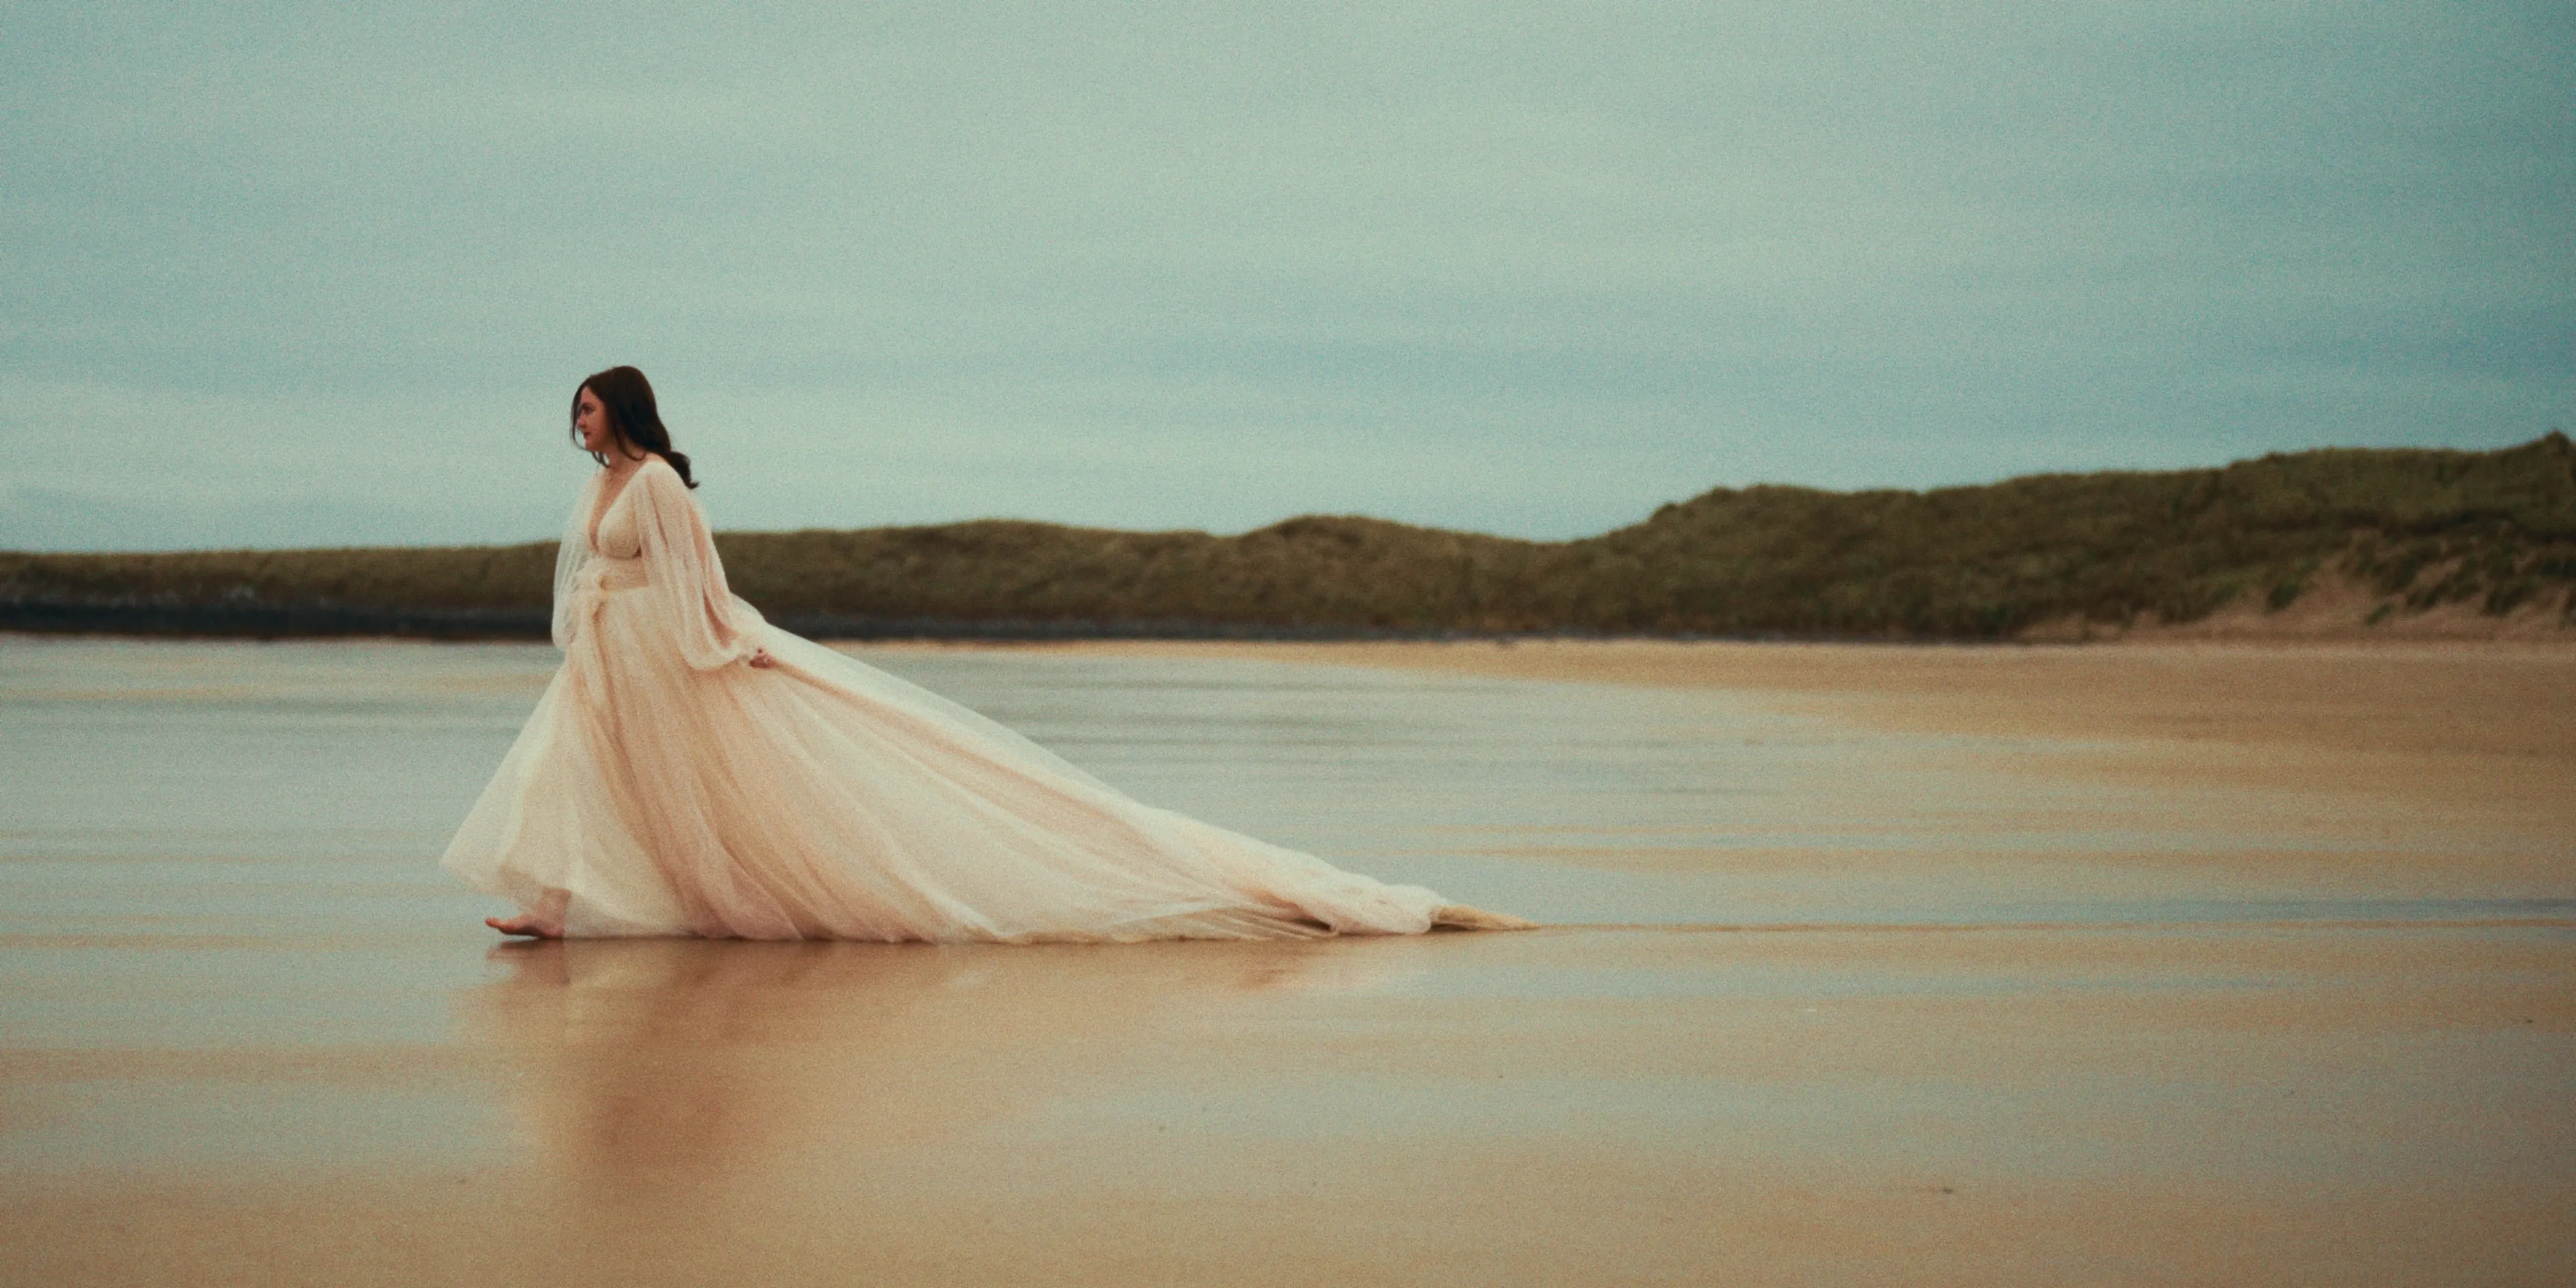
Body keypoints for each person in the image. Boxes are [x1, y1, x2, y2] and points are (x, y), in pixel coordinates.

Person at [442, 366, 1533, 941]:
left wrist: (729, 646)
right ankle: (555, 902)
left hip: (671, 655)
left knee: (708, 791)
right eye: (574, 412)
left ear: (620, 408)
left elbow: (704, 581)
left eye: (588, 408)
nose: (577, 423)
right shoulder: (595, 487)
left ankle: (598, 904)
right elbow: (589, 574)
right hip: (604, 661)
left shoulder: (663, 484)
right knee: (580, 773)